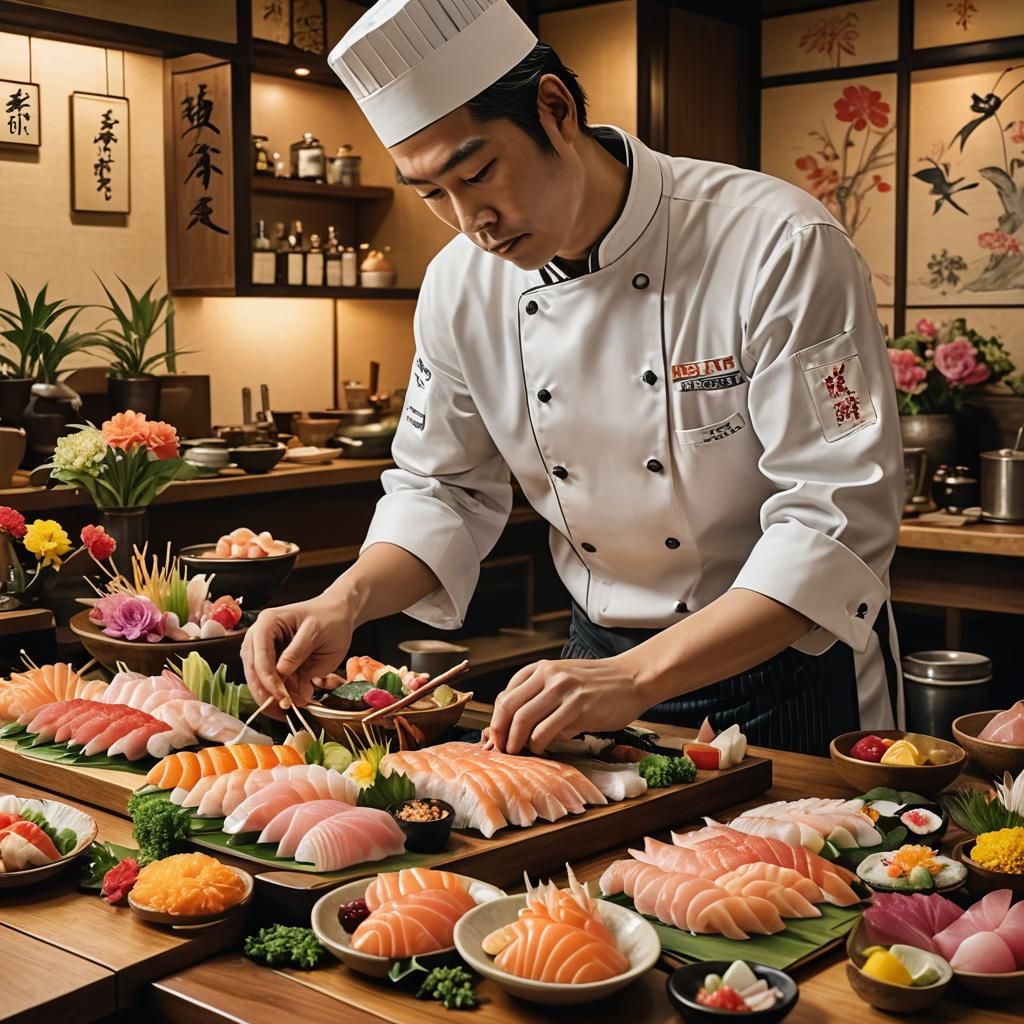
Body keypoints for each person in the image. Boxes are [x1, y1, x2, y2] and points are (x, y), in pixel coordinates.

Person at [242, 0, 905, 757]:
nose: (472, 224)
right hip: (593, 673)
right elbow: (442, 492)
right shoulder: (459, 284)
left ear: (555, 108)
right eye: (432, 195)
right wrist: (342, 602)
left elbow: (835, 519)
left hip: (788, 663)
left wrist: (637, 678)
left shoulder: (776, 242)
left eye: (479, 172)